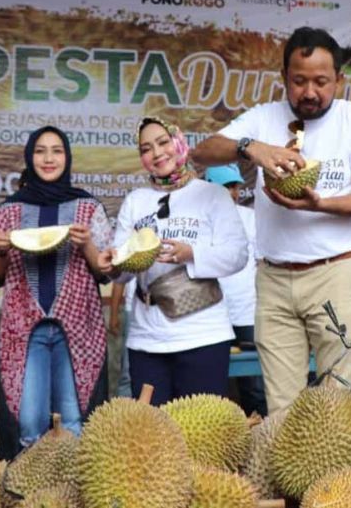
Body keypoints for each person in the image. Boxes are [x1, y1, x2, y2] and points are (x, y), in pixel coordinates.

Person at [191, 27, 351, 413]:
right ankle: (288, 475)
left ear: (339, 81)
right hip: (274, 278)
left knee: (339, 401)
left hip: (335, 273)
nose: (310, 92)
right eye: (299, 81)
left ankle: (342, 475)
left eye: (321, 81)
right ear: (284, 78)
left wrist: (319, 205)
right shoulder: (264, 119)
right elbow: (202, 152)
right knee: (282, 406)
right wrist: (252, 148)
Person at [0, 126, 109, 450]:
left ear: (68, 157)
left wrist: (87, 244)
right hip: (24, 331)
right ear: (30, 157)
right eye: (41, 151)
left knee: (74, 420)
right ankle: (28, 496)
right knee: (28, 422)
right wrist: (2, 252)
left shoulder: (87, 207)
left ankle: (70, 496)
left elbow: (106, 271)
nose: (49, 158)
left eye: (57, 151)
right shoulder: (10, 210)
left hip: (78, 329)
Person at [100, 117, 247, 407]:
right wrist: (114, 264)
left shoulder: (212, 195)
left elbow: (237, 254)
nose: (156, 153)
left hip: (203, 334)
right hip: (147, 338)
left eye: (163, 142)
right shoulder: (136, 201)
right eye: (146, 149)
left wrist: (191, 254)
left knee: (203, 437)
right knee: (152, 436)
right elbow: (122, 274)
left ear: (179, 142)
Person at [204, 164, 267, 416]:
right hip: (211, 316)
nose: (232, 192)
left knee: (254, 387)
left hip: (246, 314)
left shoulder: (251, 218)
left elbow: (263, 261)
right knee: (213, 388)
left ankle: (262, 439)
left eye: (234, 187)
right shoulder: (199, 220)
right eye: (225, 187)